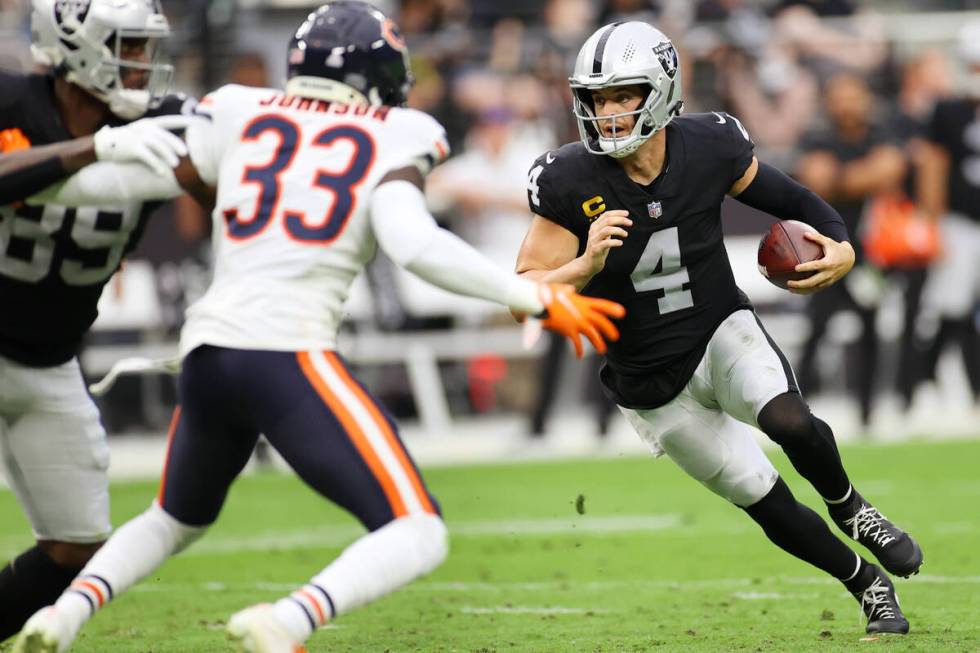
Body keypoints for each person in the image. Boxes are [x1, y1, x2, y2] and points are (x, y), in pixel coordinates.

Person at [12, 3, 623, 652]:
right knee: (419, 527)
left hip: (208, 352)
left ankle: (60, 616)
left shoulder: (238, 109)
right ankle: (289, 619)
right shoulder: (400, 131)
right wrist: (526, 295)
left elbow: (93, 183)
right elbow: (412, 243)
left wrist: (65, 158)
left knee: (173, 516)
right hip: (285, 353)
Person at [514, 21, 920, 635]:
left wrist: (841, 245)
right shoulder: (571, 179)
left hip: (718, 328)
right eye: (596, 99)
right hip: (650, 383)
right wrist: (584, 264)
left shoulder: (709, 144)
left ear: (660, 90)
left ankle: (852, 508)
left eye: (623, 95)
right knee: (764, 497)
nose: (608, 112)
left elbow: (800, 203)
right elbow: (522, 297)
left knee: (788, 420)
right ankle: (865, 583)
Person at [0, 0, 196, 641]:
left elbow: (229, 177)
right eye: (128, 46)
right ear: (75, 47)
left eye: (145, 47)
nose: (142, 63)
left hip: (49, 360)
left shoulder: (162, 121)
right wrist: (95, 148)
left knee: (78, 549)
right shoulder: (11, 102)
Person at [794, 73, 906, 428]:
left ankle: (868, 412)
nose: (847, 103)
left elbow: (890, 170)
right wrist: (862, 177)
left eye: (853, 95)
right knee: (816, 331)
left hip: (868, 256)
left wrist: (841, 180)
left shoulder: (881, 133)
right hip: (823, 253)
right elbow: (816, 179)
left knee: (872, 330)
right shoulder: (817, 136)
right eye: (840, 96)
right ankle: (795, 411)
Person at [915, 22, 980, 403]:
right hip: (958, 221)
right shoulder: (949, 110)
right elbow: (933, 167)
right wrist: (932, 225)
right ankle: (927, 379)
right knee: (951, 305)